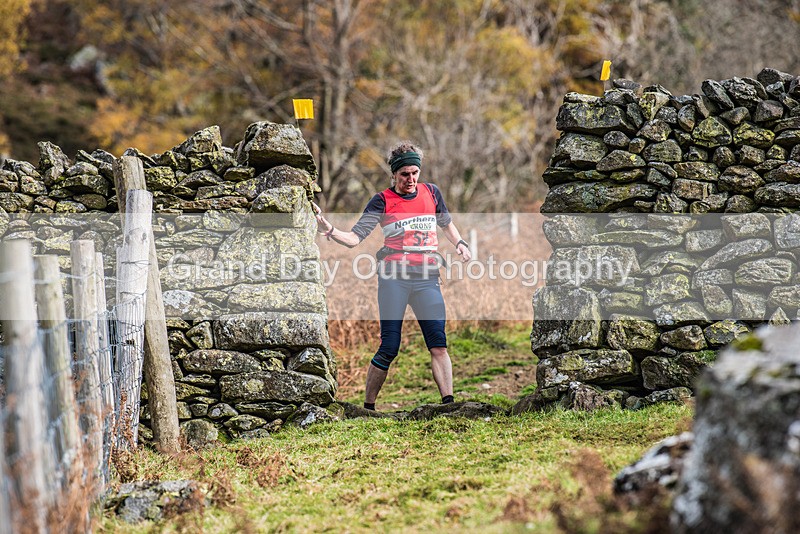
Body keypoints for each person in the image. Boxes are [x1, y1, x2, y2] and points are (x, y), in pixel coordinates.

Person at [315, 142, 472, 410]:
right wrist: (330, 230)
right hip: (394, 279)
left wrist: (460, 243)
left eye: (414, 173)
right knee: (390, 346)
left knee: (438, 344)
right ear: (394, 175)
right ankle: (368, 408)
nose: (410, 179)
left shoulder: (432, 192)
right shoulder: (382, 201)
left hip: (427, 279)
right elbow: (354, 238)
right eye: (404, 174)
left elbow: (446, 223)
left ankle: (449, 404)